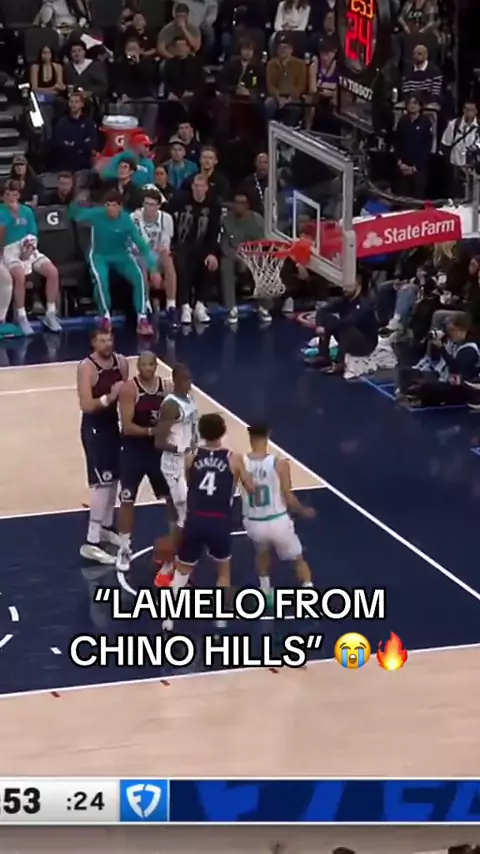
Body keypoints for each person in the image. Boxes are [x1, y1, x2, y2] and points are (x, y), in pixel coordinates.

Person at [162, 412, 254, 631]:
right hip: (219, 521)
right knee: (223, 572)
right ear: (223, 431)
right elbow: (251, 488)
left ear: (201, 433)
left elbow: (189, 482)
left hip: (195, 519)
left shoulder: (192, 456)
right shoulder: (234, 458)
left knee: (182, 571)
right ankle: (220, 619)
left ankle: (168, 619)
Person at [69, 189, 162, 335]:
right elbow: (74, 215)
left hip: (121, 255)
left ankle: (142, 318)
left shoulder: (126, 220)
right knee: (101, 280)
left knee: (139, 277)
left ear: (120, 207)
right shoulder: (97, 214)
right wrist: (76, 202)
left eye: (114, 205)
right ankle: (105, 317)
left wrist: (154, 269)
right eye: (108, 205)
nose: (110, 209)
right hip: (99, 255)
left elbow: (141, 245)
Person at [240, 422, 315, 592]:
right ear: (268, 435)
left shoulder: (240, 463)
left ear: (249, 437)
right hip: (277, 521)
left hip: (254, 523)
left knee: (261, 552)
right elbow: (288, 497)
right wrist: (302, 511)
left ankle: (265, 589)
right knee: (298, 559)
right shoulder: (279, 464)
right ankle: (308, 590)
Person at [77, 327, 128, 563]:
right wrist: (110, 397)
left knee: (114, 479)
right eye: (102, 341)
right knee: (102, 483)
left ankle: (106, 527)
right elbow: (86, 405)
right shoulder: (86, 367)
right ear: (93, 343)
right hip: (94, 429)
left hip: (113, 426)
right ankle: (92, 540)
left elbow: (125, 396)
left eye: (109, 340)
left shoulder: (122, 362)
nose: (107, 344)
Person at [116, 352, 170, 572]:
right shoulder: (130, 389)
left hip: (158, 452)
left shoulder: (166, 387)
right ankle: (124, 547)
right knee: (127, 498)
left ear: (156, 366)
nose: (148, 368)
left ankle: (175, 543)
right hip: (134, 452)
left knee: (172, 498)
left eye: (151, 364)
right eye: (144, 365)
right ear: (138, 366)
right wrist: (152, 431)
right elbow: (127, 426)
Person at [0, 180, 62, 335]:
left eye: (14, 194)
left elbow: (33, 232)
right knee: (19, 275)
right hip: (9, 251)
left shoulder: (27, 211)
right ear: (3, 197)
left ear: (19, 195)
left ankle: (50, 313)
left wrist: (30, 247)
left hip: (28, 247)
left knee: (52, 272)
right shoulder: (1, 212)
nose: (11, 198)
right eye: (8, 194)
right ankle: (21, 316)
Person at [154, 363, 198, 561]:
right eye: (185, 379)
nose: (189, 383)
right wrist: (182, 449)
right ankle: (173, 556)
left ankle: (179, 553)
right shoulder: (170, 406)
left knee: (185, 511)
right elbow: (159, 441)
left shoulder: (189, 399)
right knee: (184, 511)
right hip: (173, 464)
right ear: (175, 381)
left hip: (187, 461)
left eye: (190, 378)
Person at [168, 172, 221, 324]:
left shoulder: (214, 205)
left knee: (211, 264)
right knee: (183, 264)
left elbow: (214, 232)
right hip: (182, 245)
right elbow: (169, 219)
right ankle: (185, 306)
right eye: (196, 186)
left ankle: (200, 304)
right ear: (192, 187)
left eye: (201, 186)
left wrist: (211, 253)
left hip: (203, 246)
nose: (198, 189)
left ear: (206, 188)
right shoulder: (180, 201)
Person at [130, 189, 178, 324]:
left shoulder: (166, 219)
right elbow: (138, 246)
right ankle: (145, 305)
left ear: (158, 206)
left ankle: (171, 305)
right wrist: (153, 270)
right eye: (146, 204)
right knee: (140, 263)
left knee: (168, 259)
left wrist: (156, 265)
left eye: (152, 205)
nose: (148, 208)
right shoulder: (134, 218)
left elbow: (165, 246)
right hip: (138, 255)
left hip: (157, 255)